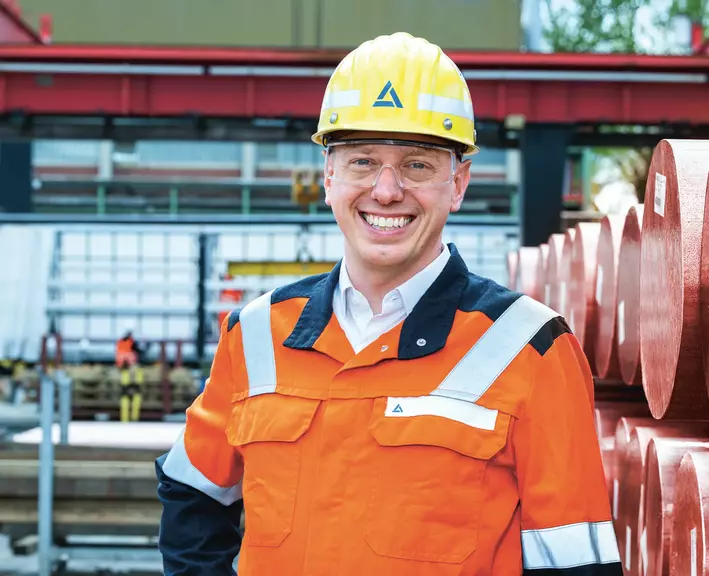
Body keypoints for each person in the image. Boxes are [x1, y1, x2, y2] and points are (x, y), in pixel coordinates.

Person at [155, 32, 621, 575]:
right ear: (329, 175)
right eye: (362, 161)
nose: (385, 190)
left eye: (418, 165)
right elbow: (193, 497)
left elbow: (573, 563)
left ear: (459, 182)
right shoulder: (256, 335)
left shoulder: (531, 349)